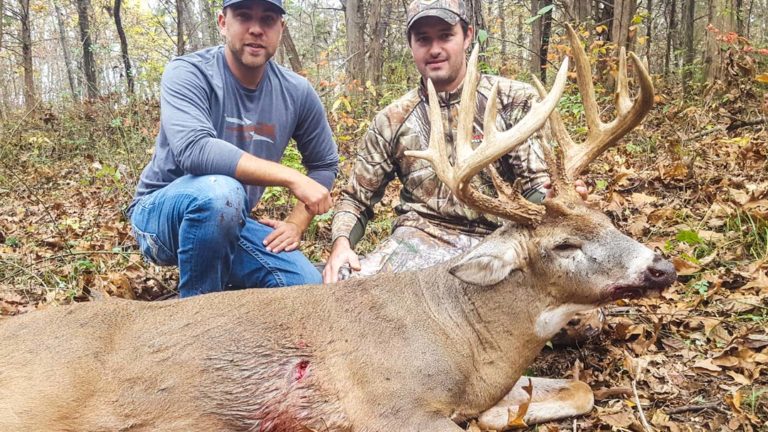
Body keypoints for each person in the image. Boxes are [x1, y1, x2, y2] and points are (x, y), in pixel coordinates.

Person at [323, 0, 600, 342]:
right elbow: (355, 199)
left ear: (467, 36)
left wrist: (556, 198)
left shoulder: (514, 100)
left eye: (445, 35)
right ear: (411, 45)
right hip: (422, 237)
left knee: (580, 323)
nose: (435, 49)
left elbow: (536, 184)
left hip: (507, 239)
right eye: (423, 39)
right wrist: (341, 244)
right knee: (346, 295)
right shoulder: (392, 119)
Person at [128, 0, 338, 298]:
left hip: (228, 219)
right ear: (223, 22)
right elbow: (195, 149)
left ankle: (224, 286)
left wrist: (296, 223)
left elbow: (324, 164)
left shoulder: (297, 92)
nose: (256, 29)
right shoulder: (189, 72)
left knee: (303, 284)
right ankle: (198, 313)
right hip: (160, 217)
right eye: (243, 17)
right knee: (220, 193)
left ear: (281, 28)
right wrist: (292, 177)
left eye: (268, 19)